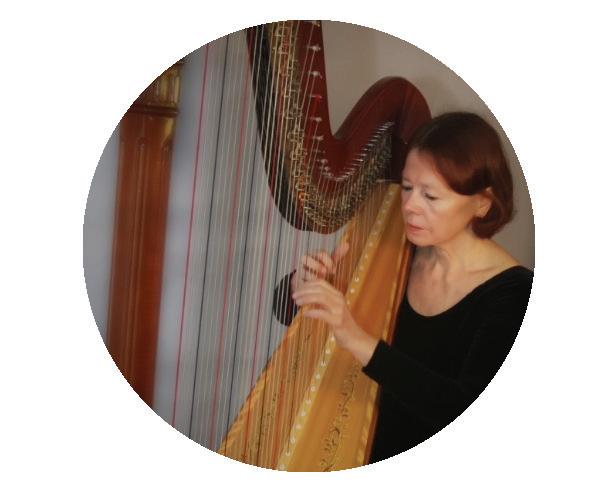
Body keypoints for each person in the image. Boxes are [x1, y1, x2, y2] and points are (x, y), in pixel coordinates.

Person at [274, 111, 533, 463]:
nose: (409, 206)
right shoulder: (396, 248)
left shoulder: (514, 294)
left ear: (482, 203)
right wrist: (302, 285)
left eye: (431, 196)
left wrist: (357, 338)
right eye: (408, 187)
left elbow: (462, 407)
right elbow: (283, 309)